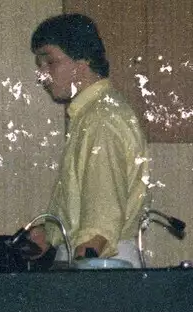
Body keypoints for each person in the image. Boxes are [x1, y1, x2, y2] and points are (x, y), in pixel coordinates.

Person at [28, 14, 149, 264]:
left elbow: (101, 218)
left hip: (98, 262)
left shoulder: (100, 120)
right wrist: (48, 234)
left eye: (49, 63)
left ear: (81, 65)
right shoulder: (93, 113)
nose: (42, 75)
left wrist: (84, 267)